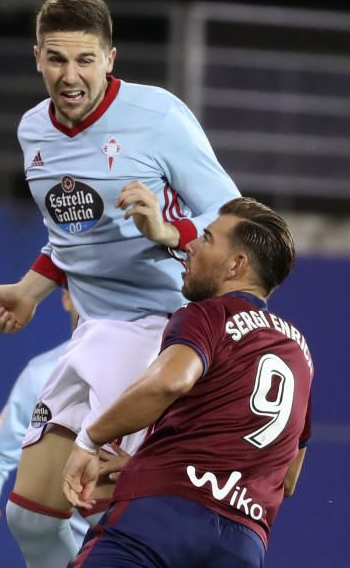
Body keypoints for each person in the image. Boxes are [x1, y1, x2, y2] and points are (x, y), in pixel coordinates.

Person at [0, 0, 240, 567]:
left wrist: (169, 230)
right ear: (36, 59)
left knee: (108, 507)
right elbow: (72, 235)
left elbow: (235, 216)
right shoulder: (32, 132)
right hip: (93, 332)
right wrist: (29, 289)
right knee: (32, 518)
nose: (70, 77)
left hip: (161, 331)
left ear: (111, 59)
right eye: (56, 60)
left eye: (85, 60)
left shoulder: (158, 115)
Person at [63, 197, 313, 568]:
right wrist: (146, 463)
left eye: (208, 238)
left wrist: (89, 440)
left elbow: (171, 381)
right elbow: (288, 478)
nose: (191, 244)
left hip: (159, 523)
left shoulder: (207, 315)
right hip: (242, 545)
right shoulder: (299, 352)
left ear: (236, 265)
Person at [0, 290, 91, 567]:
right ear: (66, 296)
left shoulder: (160, 368)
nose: (97, 297)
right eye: (85, 285)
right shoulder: (40, 375)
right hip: (65, 554)